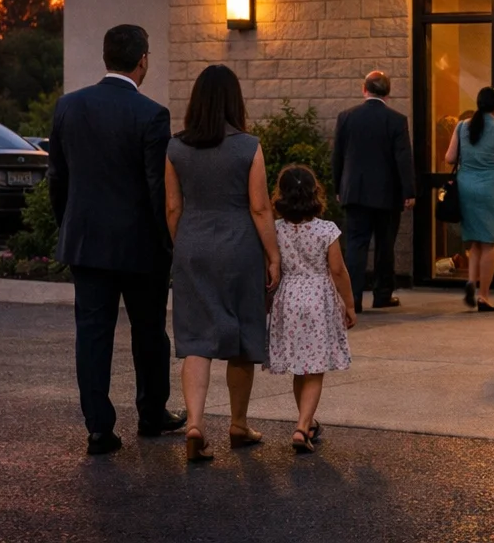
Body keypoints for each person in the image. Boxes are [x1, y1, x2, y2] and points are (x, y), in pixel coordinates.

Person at [48, 24, 183, 455]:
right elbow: (155, 187)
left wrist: (68, 224)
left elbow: (58, 178)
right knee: (149, 332)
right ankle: (151, 413)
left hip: (86, 242)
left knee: (92, 334)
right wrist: (168, 244)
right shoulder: (151, 114)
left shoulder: (69, 107)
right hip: (140, 246)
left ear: (106, 57)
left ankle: (98, 429)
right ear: (142, 59)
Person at [166, 64, 281, 462]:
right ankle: (237, 423)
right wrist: (273, 255)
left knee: (196, 339)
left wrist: (184, 247)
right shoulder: (248, 146)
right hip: (239, 247)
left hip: (192, 244)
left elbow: (172, 207)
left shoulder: (175, 147)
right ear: (235, 101)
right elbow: (260, 207)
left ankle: (195, 423)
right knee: (241, 337)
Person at [264, 164, 355, 454]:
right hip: (318, 299)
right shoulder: (326, 230)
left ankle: (308, 421)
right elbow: (338, 270)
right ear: (316, 193)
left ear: (280, 195)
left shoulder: (275, 231)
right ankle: (303, 427)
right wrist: (349, 304)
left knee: (299, 367)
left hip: (288, 299)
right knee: (314, 369)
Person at [333, 71, 416, 312]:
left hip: (355, 192)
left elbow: (337, 156)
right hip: (387, 195)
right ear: (388, 93)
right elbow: (403, 158)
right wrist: (408, 191)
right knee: (385, 244)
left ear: (364, 89)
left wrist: (339, 187)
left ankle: (353, 299)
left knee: (356, 245)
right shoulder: (397, 120)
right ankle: (382, 295)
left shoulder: (347, 117)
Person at [445, 86, 494, 312]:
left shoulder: (461, 126)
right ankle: (484, 295)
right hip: (492, 189)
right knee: (490, 243)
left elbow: (449, 158)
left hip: (466, 188)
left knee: (475, 242)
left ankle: (470, 281)